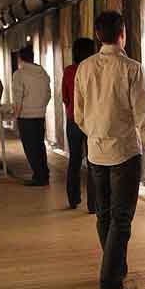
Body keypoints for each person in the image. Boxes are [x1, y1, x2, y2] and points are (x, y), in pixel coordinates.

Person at [74, 11, 145, 289]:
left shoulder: (84, 68)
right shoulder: (132, 68)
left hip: (96, 153)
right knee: (121, 219)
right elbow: (143, 116)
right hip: (124, 153)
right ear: (122, 34)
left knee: (105, 215)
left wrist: (96, 133)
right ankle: (110, 283)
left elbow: (78, 114)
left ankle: (115, 268)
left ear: (99, 35)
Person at [62, 38, 97, 212]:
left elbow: (65, 98)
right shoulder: (94, 69)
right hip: (92, 121)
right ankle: (93, 204)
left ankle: (73, 199)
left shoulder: (69, 71)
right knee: (93, 161)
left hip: (73, 120)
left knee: (74, 160)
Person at [12, 46, 51, 186]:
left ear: (20, 58)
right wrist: (41, 108)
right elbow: (48, 94)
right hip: (40, 115)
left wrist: (15, 116)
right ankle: (44, 174)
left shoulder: (19, 74)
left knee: (30, 148)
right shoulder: (43, 73)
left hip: (26, 116)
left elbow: (18, 98)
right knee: (39, 146)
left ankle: (39, 177)